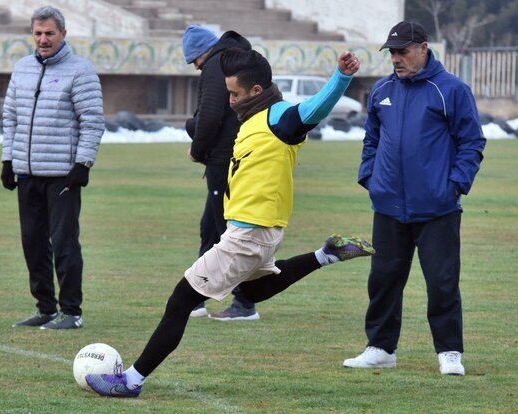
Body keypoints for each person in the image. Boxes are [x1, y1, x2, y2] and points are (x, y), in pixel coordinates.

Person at [85, 47, 372, 397]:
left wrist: (341, 76)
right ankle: (326, 254)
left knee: (180, 301)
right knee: (251, 290)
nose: (231, 100)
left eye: (235, 93)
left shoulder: (278, 117)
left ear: (255, 91)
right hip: (256, 231)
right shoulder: (253, 121)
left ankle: (131, 380)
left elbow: (314, 109)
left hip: (250, 233)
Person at [343, 21, 486, 375]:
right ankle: (380, 348)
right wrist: (369, 177)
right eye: (392, 52)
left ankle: (449, 352)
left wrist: (453, 185)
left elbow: (472, 142)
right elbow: (372, 140)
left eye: (403, 51)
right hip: (389, 205)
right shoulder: (381, 91)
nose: (396, 58)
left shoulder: (451, 90)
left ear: (423, 47)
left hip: (438, 207)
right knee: (383, 280)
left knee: (441, 282)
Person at [1, 5, 105, 330]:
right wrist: (8, 159)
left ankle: (71, 312)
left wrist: (83, 163)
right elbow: (10, 118)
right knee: (32, 242)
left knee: (64, 244)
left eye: (49, 33)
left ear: (63, 34)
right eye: (38, 33)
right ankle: (45, 308)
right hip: (27, 173)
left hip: (63, 175)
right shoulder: (21, 68)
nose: (43, 39)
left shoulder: (80, 70)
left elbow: (93, 122)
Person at [182, 25, 260, 321]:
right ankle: (197, 297)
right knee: (211, 229)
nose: (196, 68)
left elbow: (210, 115)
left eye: (194, 62)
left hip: (225, 159)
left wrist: (196, 147)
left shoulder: (216, 65)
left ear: (202, 54)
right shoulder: (238, 59)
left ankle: (245, 303)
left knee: (229, 233)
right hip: (237, 154)